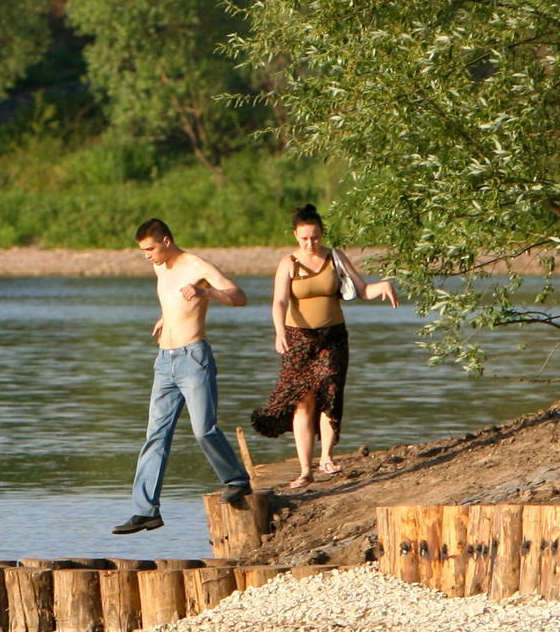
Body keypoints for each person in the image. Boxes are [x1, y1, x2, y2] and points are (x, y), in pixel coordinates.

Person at [115, 217, 253, 535]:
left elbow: (239, 296)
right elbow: (173, 298)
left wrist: (205, 293)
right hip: (165, 361)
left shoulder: (196, 265)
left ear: (166, 241)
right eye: (142, 250)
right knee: (156, 436)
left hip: (194, 359)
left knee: (203, 429)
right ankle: (146, 511)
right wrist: (167, 317)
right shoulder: (159, 266)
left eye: (150, 248)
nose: (146, 255)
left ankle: (237, 480)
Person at [250, 203, 395, 489]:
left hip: (333, 336)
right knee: (303, 402)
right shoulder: (288, 263)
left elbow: (363, 290)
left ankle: (326, 457)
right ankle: (305, 469)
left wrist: (384, 286)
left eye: (315, 237)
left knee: (330, 391)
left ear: (322, 234)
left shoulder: (335, 257)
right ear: (295, 235)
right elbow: (279, 301)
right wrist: (279, 332)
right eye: (304, 238)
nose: (310, 243)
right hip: (298, 339)